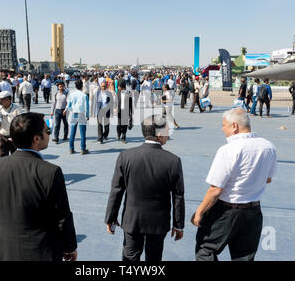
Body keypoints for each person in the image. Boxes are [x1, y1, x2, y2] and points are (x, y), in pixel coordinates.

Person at [0, 112, 78, 261]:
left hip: (6, 251)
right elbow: (62, 217)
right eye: (47, 131)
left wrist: (12, 211)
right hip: (42, 251)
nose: (48, 135)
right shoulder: (50, 171)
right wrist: (70, 247)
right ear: (36, 138)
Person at [192, 108, 277, 261]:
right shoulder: (268, 146)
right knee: (244, 257)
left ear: (234, 126)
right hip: (253, 212)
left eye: (224, 125)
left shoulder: (228, 150)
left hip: (226, 210)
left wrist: (199, 212)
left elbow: (216, 189)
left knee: (206, 250)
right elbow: (268, 179)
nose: (222, 128)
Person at [105, 114, 185, 261]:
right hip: (158, 223)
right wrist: (178, 225)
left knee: (129, 257)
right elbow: (178, 195)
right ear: (159, 134)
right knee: (154, 259)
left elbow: (116, 190)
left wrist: (110, 217)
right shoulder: (173, 161)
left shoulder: (126, 156)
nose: (169, 134)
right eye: (168, 130)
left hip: (132, 220)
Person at [0, 91, 22, 157]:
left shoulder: (17, 109)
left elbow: (21, 122)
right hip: (1, 136)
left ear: (7, 100)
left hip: (14, 136)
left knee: (15, 156)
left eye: (1, 100)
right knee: (2, 155)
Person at [66, 80, 90, 155]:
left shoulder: (72, 94)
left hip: (74, 114)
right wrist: (87, 115)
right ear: (82, 86)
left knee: (72, 132)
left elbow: (69, 104)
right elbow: (87, 107)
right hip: (81, 114)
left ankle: (71, 148)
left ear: (75, 86)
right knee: (82, 133)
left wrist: (68, 110)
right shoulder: (84, 95)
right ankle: (83, 149)